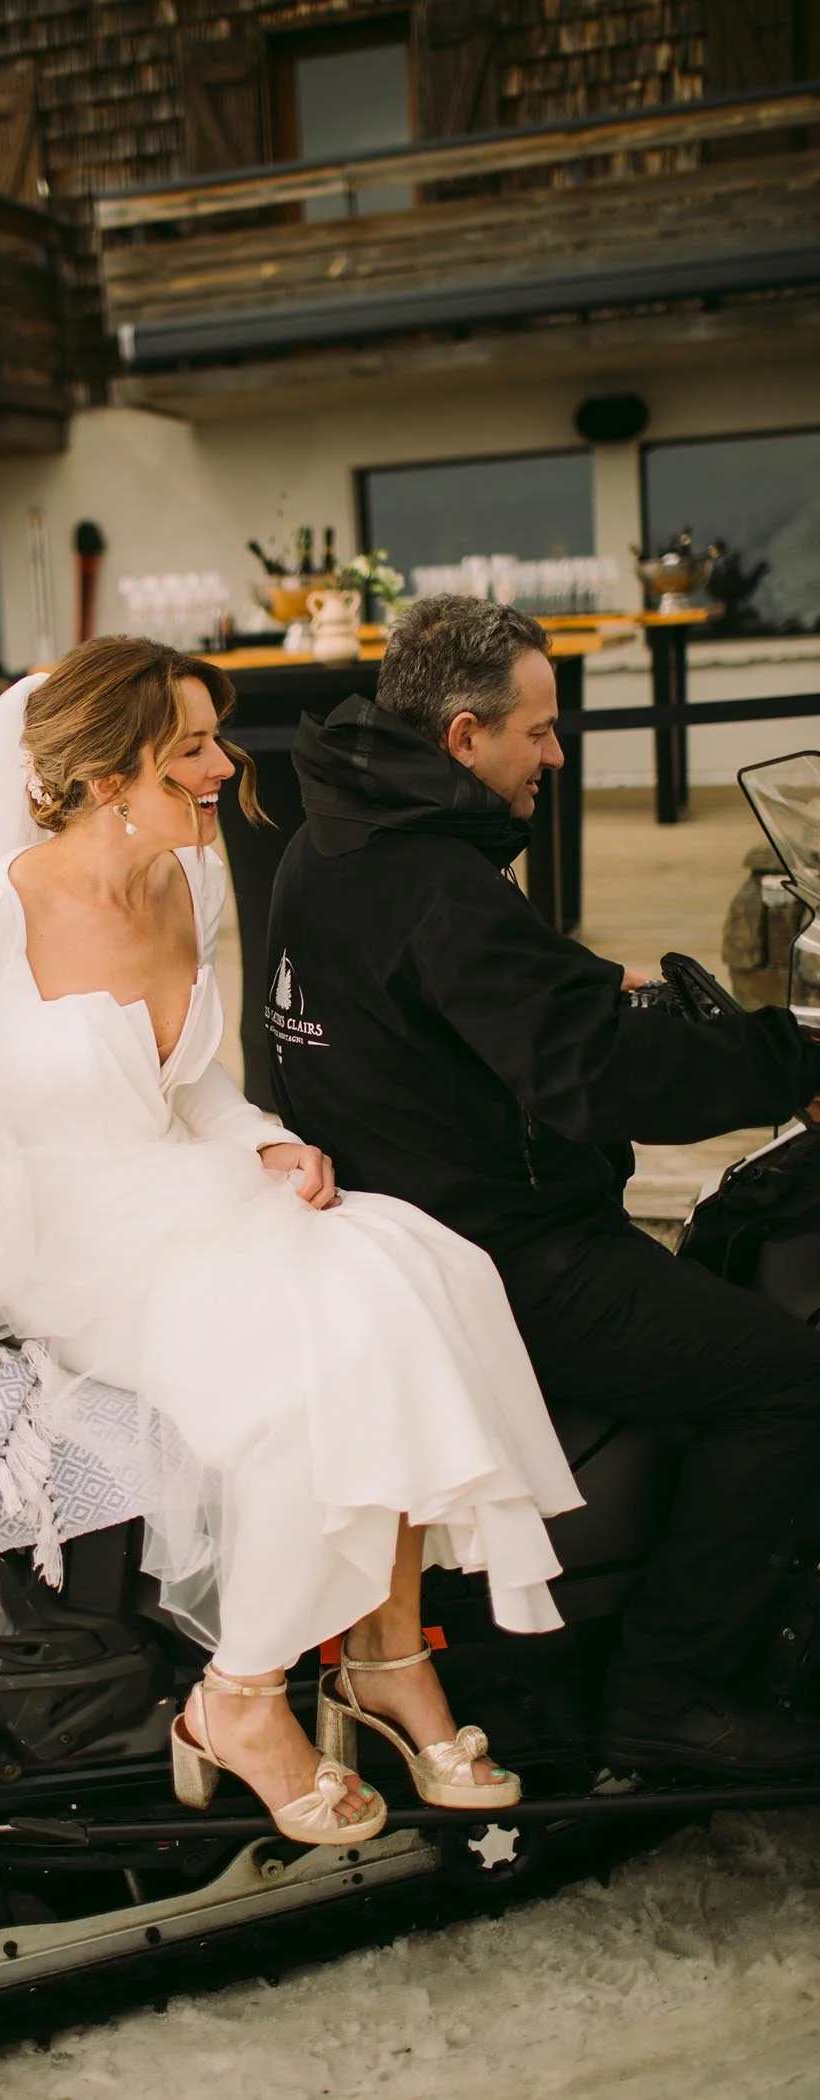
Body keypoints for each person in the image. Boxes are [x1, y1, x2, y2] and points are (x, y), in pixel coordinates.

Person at [0, 635, 581, 1844]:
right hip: (60, 1229)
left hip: (179, 1188)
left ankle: (381, 1656)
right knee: (289, 1382)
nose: (225, 767)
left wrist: (258, 1135)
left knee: (422, 1274)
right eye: (190, 752)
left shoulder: (194, 878)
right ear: (107, 775)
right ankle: (239, 1692)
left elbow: (187, 1079)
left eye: (215, 740)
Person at [266, 593, 820, 1776]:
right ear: (462, 738)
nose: (555, 756)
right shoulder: (435, 882)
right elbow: (597, 1074)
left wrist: (578, 979)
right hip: (507, 1256)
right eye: (540, 731)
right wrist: (790, 1060)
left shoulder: (331, 841)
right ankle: (668, 1690)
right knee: (784, 1383)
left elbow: (461, 1001)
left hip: (407, 1218)